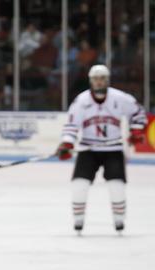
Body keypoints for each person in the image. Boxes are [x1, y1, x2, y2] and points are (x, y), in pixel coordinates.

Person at [56, 64, 146, 234]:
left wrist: (136, 130)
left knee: (117, 186)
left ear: (107, 80)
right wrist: (67, 143)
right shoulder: (81, 101)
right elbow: (71, 125)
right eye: (96, 79)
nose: (99, 82)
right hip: (88, 149)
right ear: (91, 81)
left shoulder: (120, 98)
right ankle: (78, 220)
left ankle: (119, 220)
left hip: (113, 148)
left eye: (102, 78)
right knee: (79, 185)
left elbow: (138, 112)